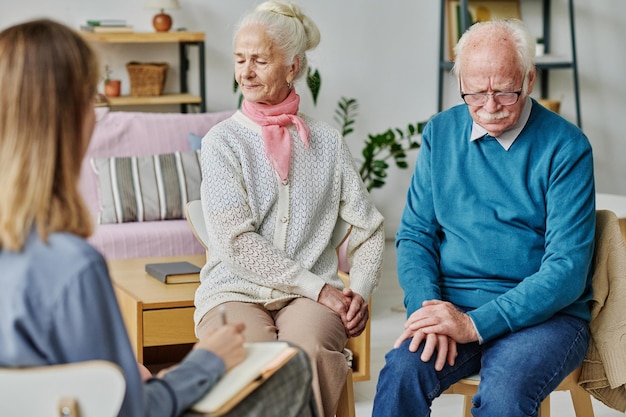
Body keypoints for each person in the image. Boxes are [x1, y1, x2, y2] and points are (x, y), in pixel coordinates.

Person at [0, 18, 318, 417]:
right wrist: (207, 361)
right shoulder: (74, 268)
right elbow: (132, 410)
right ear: (67, 117)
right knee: (289, 365)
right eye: (91, 98)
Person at [372, 18, 595, 417]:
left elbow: (566, 269)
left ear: (529, 80)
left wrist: (476, 326)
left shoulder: (566, 147)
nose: (489, 107)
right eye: (474, 93)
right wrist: (428, 309)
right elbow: (416, 235)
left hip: (544, 318)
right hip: (452, 304)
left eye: (505, 92)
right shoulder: (440, 133)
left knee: (505, 394)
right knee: (401, 373)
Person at [193, 1, 385, 416]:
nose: (245, 72)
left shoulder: (328, 142)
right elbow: (236, 242)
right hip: (234, 290)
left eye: (260, 60)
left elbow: (369, 228)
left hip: (312, 300)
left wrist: (360, 293)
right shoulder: (221, 142)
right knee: (249, 355)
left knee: (309, 349)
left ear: (293, 66)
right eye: (240, 59)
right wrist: (322, 290)